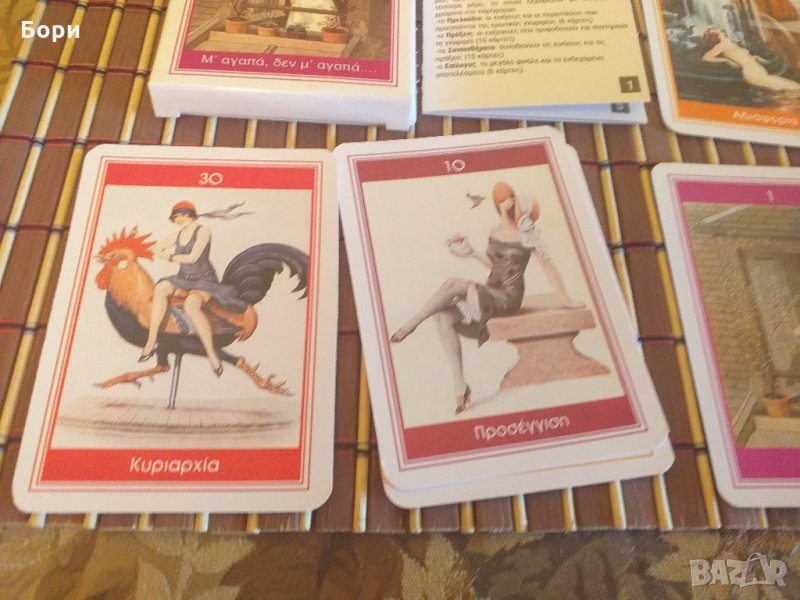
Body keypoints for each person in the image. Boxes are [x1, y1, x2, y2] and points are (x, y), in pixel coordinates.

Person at [390, 182, 582, 414]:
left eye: (514, 200)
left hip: (508, 297)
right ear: (500, 204)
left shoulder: (527, 234)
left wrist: (565, 298)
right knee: (442, 316)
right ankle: (461, 387)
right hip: (490, 289)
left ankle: (411, 324)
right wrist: (471, 253)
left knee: (453, 283)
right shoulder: (493, 231)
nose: (512, 203)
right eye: (506, 199)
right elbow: (495, 267)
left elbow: (547, 265)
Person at [139, 201, 247, 376]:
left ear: (188, 214)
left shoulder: (203, 231)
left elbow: (193, 258)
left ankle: (212, 354)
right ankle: (151, 340)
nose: (176, 220)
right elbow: (157, 248)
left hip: (204, 280)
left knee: (191, 305)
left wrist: (167, 256)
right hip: (183, 278)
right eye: (175, 217)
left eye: (179, 216)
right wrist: (153, 249)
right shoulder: (178, 235)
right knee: (160, 288)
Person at [702, 28, 800, 91]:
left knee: (793, 88)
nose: (720, 30)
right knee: (793, 89)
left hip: (759, 70)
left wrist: (755, 57)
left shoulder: (732, 44)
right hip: (751, 73)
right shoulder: (720, 46)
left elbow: (742, 56)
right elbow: (706, 57)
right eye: (716, 30)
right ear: (717, 34)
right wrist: (726, 60)